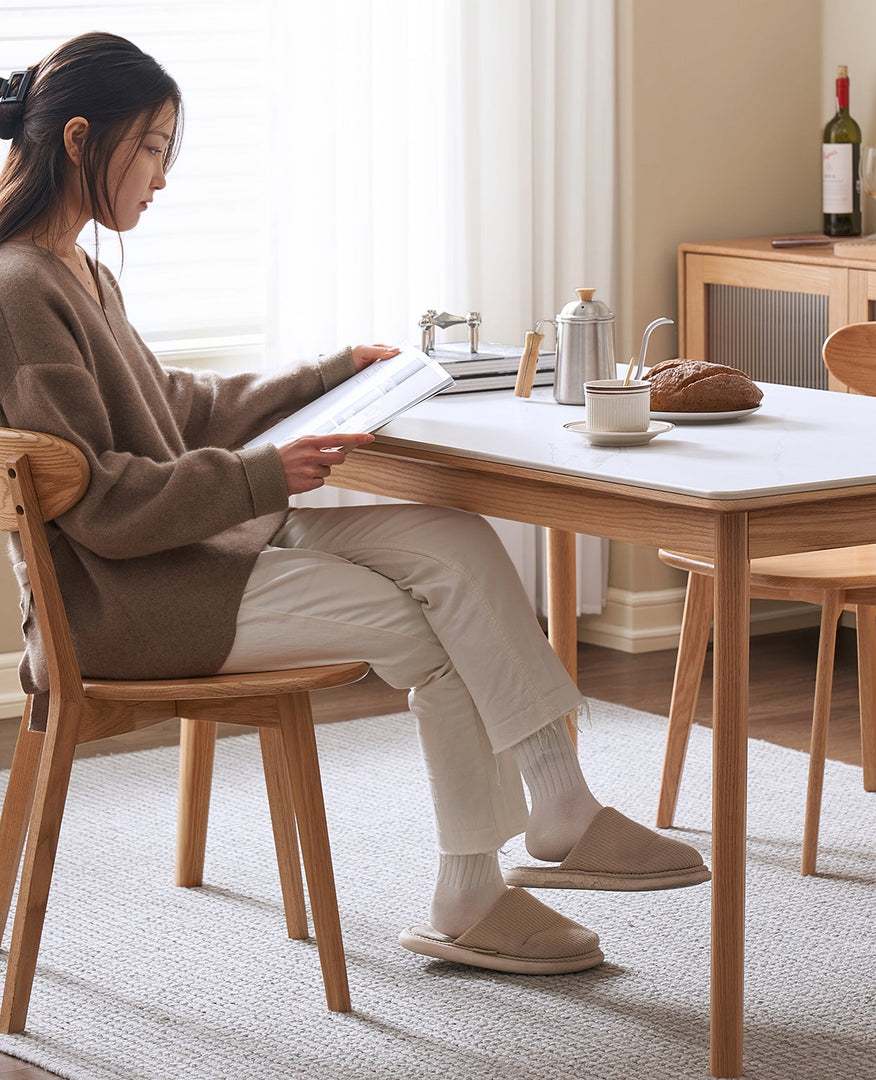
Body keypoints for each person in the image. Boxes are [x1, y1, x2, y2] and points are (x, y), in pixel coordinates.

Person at [0, 32, 708, 977]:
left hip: (195, 550)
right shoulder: (19, 289)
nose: (164, 178)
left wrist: (330, 376)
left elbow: (173, 410)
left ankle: (561, 804)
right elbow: (103, 508)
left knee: (448, 536)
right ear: (83, 141)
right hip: (132, 602)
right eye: (156, 148)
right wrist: (266, 475)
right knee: (431, 623)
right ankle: (469, 896)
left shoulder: (79, 272)